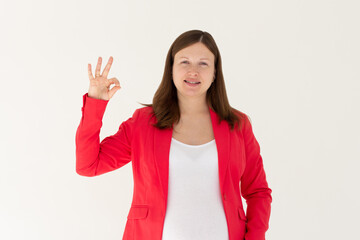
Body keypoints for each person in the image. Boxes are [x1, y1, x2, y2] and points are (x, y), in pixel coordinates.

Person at [75, 29, 272, 240]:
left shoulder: (237, 125)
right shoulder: (143, 122)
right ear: (171, 69)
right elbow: (88, 165)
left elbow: (258, 192)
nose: (193, 71)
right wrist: (96, 103)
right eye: (184, 62)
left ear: (215, 72)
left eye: (203, 63)